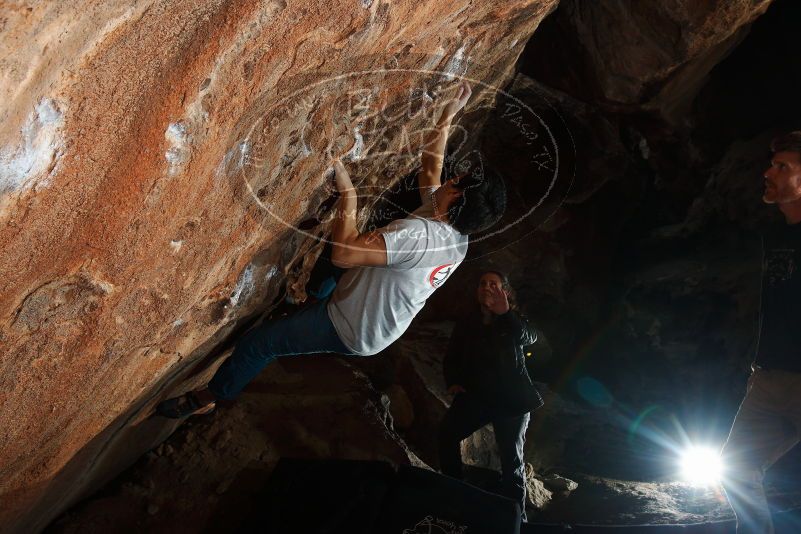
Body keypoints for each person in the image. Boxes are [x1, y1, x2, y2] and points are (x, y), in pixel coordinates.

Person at [156, 81, 508, 417]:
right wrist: (447, 115)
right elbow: (429, 169)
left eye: (457, 180)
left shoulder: (419, 235)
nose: (450, 177)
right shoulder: (456, 231)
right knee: (345, 248)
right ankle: (309, 297)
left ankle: (209, 397)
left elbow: (345, 254)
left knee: (259, 345)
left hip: (353, 326)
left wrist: (348, 196)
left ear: (458, 195)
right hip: (369, 296)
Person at [720, 131, 801, 534]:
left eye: (782, 166)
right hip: (768, 380)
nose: (768, 172)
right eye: (772, 164)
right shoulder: (777, 235)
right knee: (735, 470)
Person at [438, 270, 543, 521]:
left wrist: (505, 313)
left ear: (504, 291)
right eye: (482, 283)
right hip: (478, 396)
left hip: (511, 401)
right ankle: (456, 496)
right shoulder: (468, 321)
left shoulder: (513, 318)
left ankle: (517, 519)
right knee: (446, 434)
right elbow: (452, 355)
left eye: (493, 284)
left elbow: (529, 337)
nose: (487, 287)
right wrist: (453, 381)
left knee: (511, 461)